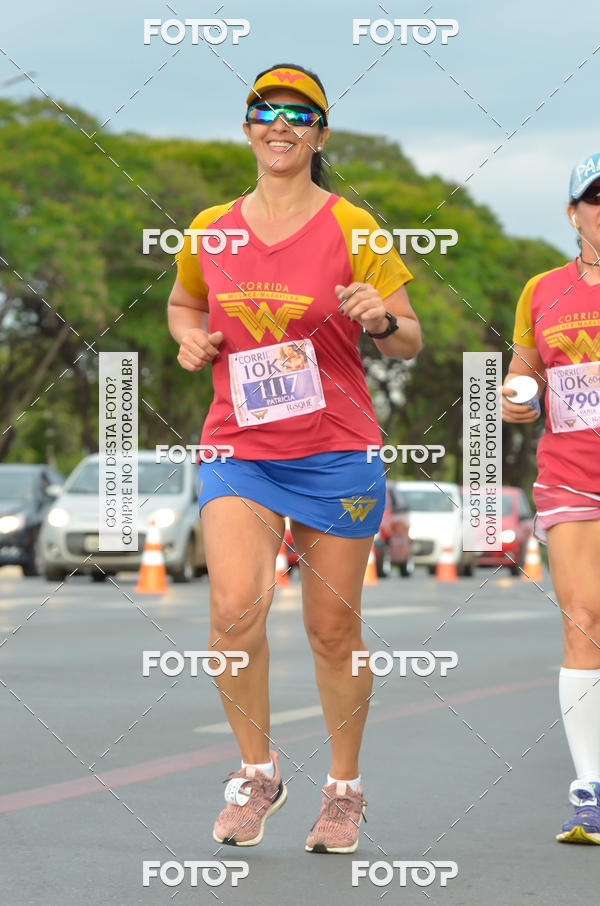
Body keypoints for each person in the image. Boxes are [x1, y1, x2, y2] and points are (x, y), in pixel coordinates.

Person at [167, 62, 421, 852]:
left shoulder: (356, 228)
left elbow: (410, 339)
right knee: (231, 612)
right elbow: (183, 302)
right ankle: (258, 774)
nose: (280, 125)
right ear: (247, 127)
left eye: (298, 114)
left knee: (330, 632)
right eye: (264, 111)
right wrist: (188, 339)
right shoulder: (212, 227)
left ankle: (343, 791)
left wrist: (380, 318)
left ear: (320, 133)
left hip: (335, 450)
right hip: (240, 446)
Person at [502, 152, 600, 844]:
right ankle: (590, 789)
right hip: (571, 476)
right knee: (583, 618)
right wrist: (517, 398)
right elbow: (524, 370)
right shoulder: (542, 291)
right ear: (574, 214)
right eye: (596, 198)